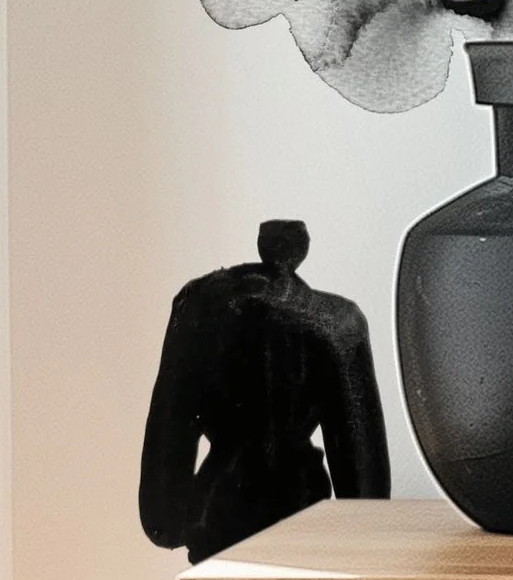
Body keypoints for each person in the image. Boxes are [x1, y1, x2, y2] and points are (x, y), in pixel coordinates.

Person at [137, 220, 389, 561]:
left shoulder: (199, 308)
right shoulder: (338, 322)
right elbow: (361, 460)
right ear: (300, 252)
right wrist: (361, 530)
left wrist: (164, 521)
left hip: (219, 512)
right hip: (300, 510)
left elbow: (170, 424)